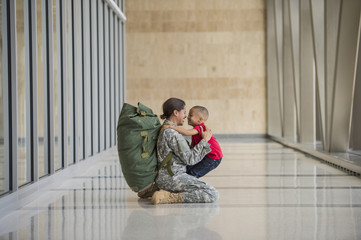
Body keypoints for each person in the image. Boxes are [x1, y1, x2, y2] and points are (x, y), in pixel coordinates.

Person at [151, 98, 219, 204]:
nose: (186, 116)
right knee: (212, 193)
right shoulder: (172, 133)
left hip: (167, 176)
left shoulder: (167, 129)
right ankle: (169, 197)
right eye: (184, 112)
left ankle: (161, 190)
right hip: (172, 178)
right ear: (176, 112)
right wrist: (205, 140)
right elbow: (191, 159)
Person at [162, 105, 223, 178]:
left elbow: (186, 132)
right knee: (188, 169)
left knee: (193, 173)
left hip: (213, 158)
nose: (188, 117)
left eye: (191, 115)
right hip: (207, 156)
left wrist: (170, 127)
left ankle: (189, 186)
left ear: (200, 119)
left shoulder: (200, 127)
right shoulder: (197, 129)